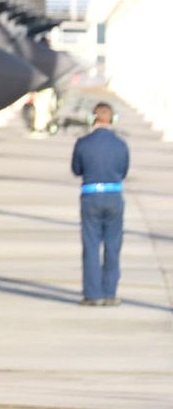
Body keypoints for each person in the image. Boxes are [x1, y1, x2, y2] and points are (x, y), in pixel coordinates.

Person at [70, 102, 129, 306]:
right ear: (112, 119)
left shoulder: (83, 143)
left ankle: (92, 295)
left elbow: (77, 170)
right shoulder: (121, 144)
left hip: (91, 196)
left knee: (91, 245)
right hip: (113, 196)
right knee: (113, 245)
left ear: (91, 119)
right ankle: (110, 293)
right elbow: (123, 171)